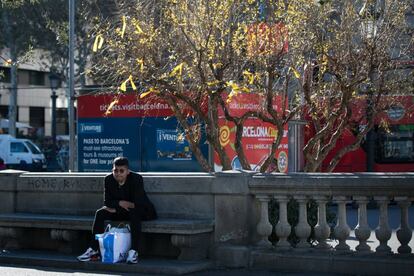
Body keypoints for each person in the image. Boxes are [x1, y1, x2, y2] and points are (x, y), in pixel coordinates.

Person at [77, 157, 157, 264]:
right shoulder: (108, 179)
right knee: (100, 213)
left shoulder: (136, 179)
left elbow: (136, 203)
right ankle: (93, 249)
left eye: (121, 171)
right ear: (112, 170)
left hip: (142, 211)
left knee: (134, 212)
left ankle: (133, 252)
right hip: (120, 210)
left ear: (127, 172)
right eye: (115, 170)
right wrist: (120, 203)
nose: (118, 173)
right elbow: (107, 202)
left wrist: (116, 207)